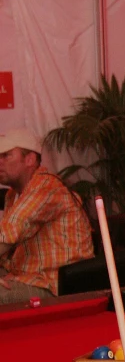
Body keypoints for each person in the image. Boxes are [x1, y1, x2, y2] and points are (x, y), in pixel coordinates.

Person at [0, 128, 94, 304]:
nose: (0, 162)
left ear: (30, 159)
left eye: (6, 156)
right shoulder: (13, 194)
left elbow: (6, 235)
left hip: (50, 284)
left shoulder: (45, 185)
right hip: (24, 274)